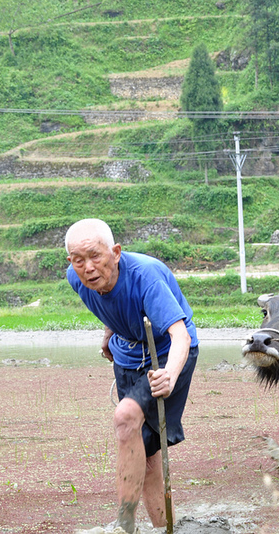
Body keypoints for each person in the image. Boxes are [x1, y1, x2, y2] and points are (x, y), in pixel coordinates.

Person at [65, 218, 199, 533]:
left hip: (167, 353)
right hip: (127, 353)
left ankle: (124, 525)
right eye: (78, 260)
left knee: (125, 416)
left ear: (116, 252)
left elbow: (181, 336)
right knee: (145, 450)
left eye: (95, 256)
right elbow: (113, 303)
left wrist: (169, 375)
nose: (88, 267)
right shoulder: (76, 278)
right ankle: (163, 528)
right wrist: (110, 332)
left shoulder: (145, 277)